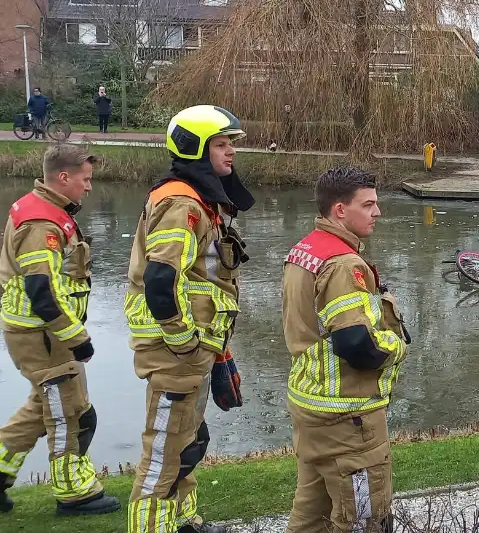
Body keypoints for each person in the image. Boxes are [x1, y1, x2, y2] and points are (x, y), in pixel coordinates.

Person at [124, 105, 254, 533]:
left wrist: (217, 350)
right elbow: (162, 279)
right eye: (221, 143)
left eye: (231, 142)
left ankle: (183, 521)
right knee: (163, 453)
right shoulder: (181, 203)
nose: (231, 151)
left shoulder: (202, 202)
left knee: (190, 443)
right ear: (196, 147)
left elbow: (208, 282)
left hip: (196, 351)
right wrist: (183, 341)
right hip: (173, 352)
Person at [282, 166, 409, 533]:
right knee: (363, 517)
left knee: (311, 516)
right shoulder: (344, 264)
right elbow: (356, 344)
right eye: (368, 204)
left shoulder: (304, 250)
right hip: (348, 418)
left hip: (312, 407)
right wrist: (396, 346)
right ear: (340, 210)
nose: (378, 212)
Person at [0, 145, 121, 517]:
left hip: (35, 332)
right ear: (64, 177)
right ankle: (74, 493)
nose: (88, 188)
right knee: (72, 413)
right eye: (85, 180)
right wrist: (76, 338)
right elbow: (43, 291)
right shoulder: (42, 224)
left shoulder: (39, 208)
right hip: (43, 334)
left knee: (42, 407)